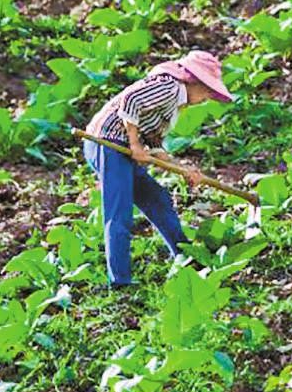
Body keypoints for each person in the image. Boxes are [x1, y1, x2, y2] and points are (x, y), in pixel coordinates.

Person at [82, 50, 233, 287]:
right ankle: (120, 282)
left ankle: (186, 258)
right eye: (207, 90)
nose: (207, 97)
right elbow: (130, 101)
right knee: (119, 213)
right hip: (109, 143)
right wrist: (133, 143)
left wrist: (183, 169)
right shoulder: (169, 86)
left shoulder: (173, 103)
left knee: (158, 199)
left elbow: (154, 143)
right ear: (194, 81)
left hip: (122, 148)